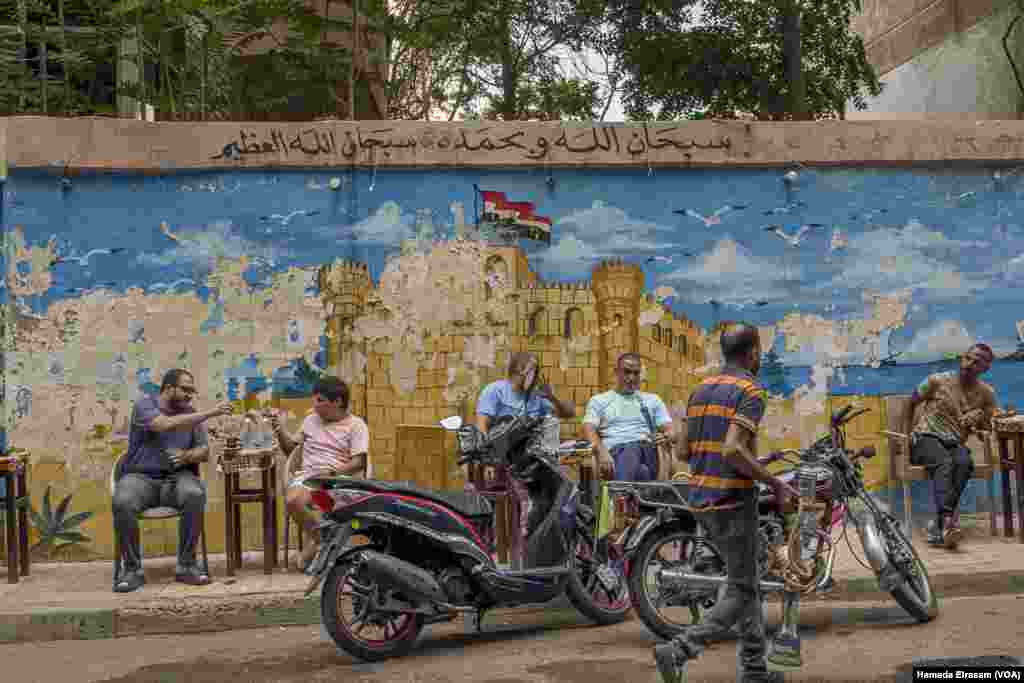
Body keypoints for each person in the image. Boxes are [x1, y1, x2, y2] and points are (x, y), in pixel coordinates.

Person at [653, 323, 798, 683]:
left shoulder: (700, 390)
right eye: (759, 351)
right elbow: (732, 448)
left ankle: (754, 669)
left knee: (743, 581)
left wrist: (747, 463)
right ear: (752, 353)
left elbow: (685, 450)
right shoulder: (751, 390)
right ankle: (680, 649)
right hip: (732, 501)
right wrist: (774, 482)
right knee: (744, 588)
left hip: (701, 499)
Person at [112, 369, 234, 593]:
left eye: (192, 391)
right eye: (186, 389)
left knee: (194, 494)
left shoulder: (190, 414)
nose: (190, 395)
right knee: (123, 500)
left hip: (177, 478)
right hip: (141, 478)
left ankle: (186, 565)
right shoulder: (144, 405)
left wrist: (187, 456)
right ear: (168, 388)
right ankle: (132, 570)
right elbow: (162, 424)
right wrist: (209, 413)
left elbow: (204, 451)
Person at [475, 352, 575, 561]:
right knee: (515, 502)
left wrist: (551, 397)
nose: (537, 376)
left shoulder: (537, 397)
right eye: (533, 370)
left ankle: (539, 548)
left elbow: (568, 413)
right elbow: (482, 425)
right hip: (505, 458)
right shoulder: (496, 391)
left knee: (558, 493)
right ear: (520, 371)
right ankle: (506, 551)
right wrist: (487, 459)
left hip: (532, 460)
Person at [901, 343, 997, 549]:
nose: (970, 364)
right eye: (968, 358)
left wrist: (978, 420)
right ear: (963, 357)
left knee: (964, 463)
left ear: (985, 369)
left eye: (977, 362)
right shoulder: (937, 381)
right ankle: (946, 521)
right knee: (944, 462)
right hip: (925, 438)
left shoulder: (986, 394)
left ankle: (938, 526)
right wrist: (906, 436)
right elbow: (910, 403)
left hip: (953, 442)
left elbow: (986, 430)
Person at [269, 376, 370, 569]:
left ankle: (317, 543)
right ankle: (324, 541)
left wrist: (332, 472)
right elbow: (292, 450)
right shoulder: (310, 421)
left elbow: (359, 462)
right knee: (293, 500)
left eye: (320, 400)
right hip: (308, 477)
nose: (315, 406)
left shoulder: (356, 425)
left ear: (338, 401)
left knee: (302, 562)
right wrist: (279, 430)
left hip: (339, 480)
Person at [582, 353, 674, 482]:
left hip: (648, 452)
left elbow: (671, 431)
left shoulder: (652, 400)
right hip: (614, 454)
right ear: (616, 372)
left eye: (636, 373)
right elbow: (588, 430)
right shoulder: (600, 401)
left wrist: (666, 436)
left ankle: (619, 493)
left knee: (635, 449)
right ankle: (635, 495)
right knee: (641, 471)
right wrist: (602, 452)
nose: (631, 378)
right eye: (626, 372)